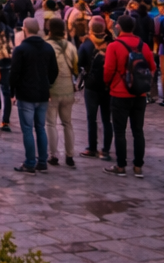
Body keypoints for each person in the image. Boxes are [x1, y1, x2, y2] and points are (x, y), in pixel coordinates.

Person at [103, 13, 155, 178]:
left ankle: (121, 165)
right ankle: (138, 167)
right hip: (139, 93)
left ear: (118, 26)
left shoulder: (114, 45)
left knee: (119, 131)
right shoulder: (143, 45)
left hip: (119, 92)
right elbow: (152, 68)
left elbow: (109, 69)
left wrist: (109, 83)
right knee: (138, 130)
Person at [9, 17, 58, 174]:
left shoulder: (21, 49)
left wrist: (12, 92)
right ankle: (42, 161)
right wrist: (47, 83)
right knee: (41, 128)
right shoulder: (48, 48)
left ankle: (30, 162)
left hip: (26, 94)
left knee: (28, 129)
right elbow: (54, 71)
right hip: (42, 93)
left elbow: (14, 73)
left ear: (25, 29)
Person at [78, 16, 112, 160]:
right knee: (106, 119)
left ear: (90, 28)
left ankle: (92, 147)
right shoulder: (111, 43)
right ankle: (105, 150)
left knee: (91, 118)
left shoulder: (86, 44)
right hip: (108, 85)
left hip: (91, 85)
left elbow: (79, 62)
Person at [45, 17, 78, 167]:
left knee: (51, 123)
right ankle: (70, 156)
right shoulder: (70, 46)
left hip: (52, 88)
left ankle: (54, 156)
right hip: (68, 88)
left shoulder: (46, 46)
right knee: (67, 123)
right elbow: (76, 68)